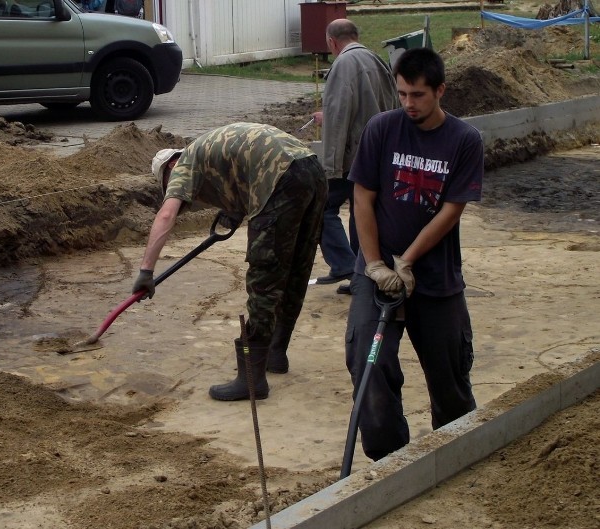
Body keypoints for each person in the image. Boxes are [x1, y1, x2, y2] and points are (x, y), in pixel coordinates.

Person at [345, 47, 484, 460]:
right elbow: (362, 199)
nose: (408, 103)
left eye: (418, 95)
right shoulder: (381, 129)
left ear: (440, 90)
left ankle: (458, 452)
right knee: (367, 364)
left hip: (436, 279)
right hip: (376, 276)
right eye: (402, 93)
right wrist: (374, 265)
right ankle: (389, 462)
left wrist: (407, 260)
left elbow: (450, 211)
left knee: (450, 374)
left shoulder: (464, 140)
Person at [133, 123, 328, 401]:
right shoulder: (210, 151)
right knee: (297, 264)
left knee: (265, 274)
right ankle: (275, 353)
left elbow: (166, 216)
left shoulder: (183, 163)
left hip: (280, 175)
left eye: (167, 187)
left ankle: (252, 379)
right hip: (310, 168)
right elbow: (243, 168)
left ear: (169, 170)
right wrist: (235, 210)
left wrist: (146, 270)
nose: (179, 196)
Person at [312, 19, 398, 295]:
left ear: (331, 42)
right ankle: (363, 275)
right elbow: (383, 105)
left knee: (320, 208)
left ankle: (344, 265)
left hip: (352, 158)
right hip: (378, 154)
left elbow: (339, 116)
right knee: (362, 213)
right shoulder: (375, 59)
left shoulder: (343, 64)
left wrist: (330, 166)